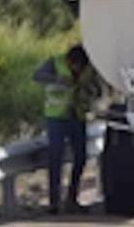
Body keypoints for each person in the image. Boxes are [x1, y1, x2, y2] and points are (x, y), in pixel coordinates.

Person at [33, 44, 101, 214]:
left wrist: (89, 91)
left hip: (77, 116)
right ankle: (54, 202)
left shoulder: (89, 69)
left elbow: (98, 89)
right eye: (75, 66)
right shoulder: (55, 63)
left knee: (81, 157)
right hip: (56, 117)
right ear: (69, 61)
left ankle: (72, 199)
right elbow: (37, 75)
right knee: (55, 158)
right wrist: (57, 80)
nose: (78, 70)